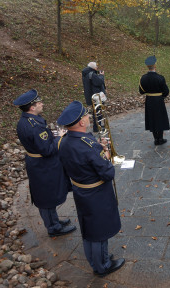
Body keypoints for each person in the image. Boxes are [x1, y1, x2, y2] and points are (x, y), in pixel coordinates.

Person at [57, 101, 125, 277]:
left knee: (88, 229)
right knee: (99, 232)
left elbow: (78, 158)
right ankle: (103, 265)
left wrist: (97, 148)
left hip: (81, 190)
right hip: (97, 194)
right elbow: (108, 173)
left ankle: (95, 260)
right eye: (86, 115)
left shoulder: (64, 141)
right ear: (81, 122)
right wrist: (106, 155)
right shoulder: (89, 146)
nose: (88, 117)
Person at [13, 89, 76, 238]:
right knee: (46, 197)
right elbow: (47, 149)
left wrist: (52, 136)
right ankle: (53, 227)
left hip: (39, 163)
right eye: (39, 102)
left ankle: (54, 221)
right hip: (43, 165)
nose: (42, 103)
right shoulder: (34, 125)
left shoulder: (27, 120)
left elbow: (41, 142)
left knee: (48, 194)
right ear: (32, 107)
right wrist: (59, 138)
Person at [138, 55, 170, 146]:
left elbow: (141, 91)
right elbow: (166, 91)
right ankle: (160, 138)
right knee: (160, 119)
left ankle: (156, 139)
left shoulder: (143, 78)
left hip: (149, 100)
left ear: (147, 67)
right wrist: (161, 96)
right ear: (155, 66)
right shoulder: (160, 77)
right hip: (159, 100)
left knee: (152, 118)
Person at [82, 62, 106, 132]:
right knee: (98, 112)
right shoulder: (92, 74)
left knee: (95, 112)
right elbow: (99, 82)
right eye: (96, 67)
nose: (97, 68)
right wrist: (101, 75)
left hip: (91, 96)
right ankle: (98, 127)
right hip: (96, 97)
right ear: (93, 68)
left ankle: (97, 127)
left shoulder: (86, 74)